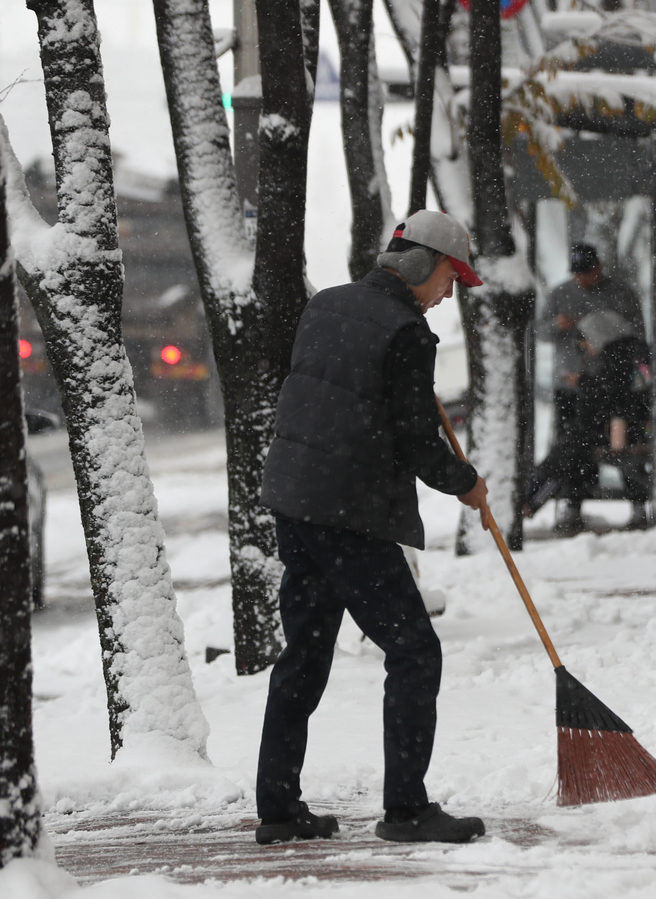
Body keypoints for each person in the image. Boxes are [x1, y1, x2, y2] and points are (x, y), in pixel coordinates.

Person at [254, 210, 490, 847]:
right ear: (421, 264)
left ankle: (277, 806)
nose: (449, 292)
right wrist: (464, 481)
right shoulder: (406, 332)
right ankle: (408, 810)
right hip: (347, 512)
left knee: (302, 653)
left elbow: (331, 398)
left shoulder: (327, 305)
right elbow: (415, 439)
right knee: (415, 651)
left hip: (296, 502)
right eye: (449, 276)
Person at [537, 243, 645, 532]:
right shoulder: (560, 294)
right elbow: (539, 331)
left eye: (586, 272)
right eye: (577, 274)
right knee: (572, 448)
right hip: (572, 388)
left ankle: (637, 501)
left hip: (613, 389)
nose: (581, 280)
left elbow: (636, 335)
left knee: (622, 445)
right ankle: (574, 502)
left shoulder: (621, 293)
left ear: (598, 267)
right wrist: (557, 325)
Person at [525, 311, 651, 529]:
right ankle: (530, 499)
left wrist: (583, 383)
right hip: (625, 429)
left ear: (599, 335)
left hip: (618, 431)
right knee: (568, 453)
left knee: (565, 455)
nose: (588, 350)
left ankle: (529, 500)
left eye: (586, 343)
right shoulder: (633, 354)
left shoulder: (617, 357)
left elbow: (609, 397)